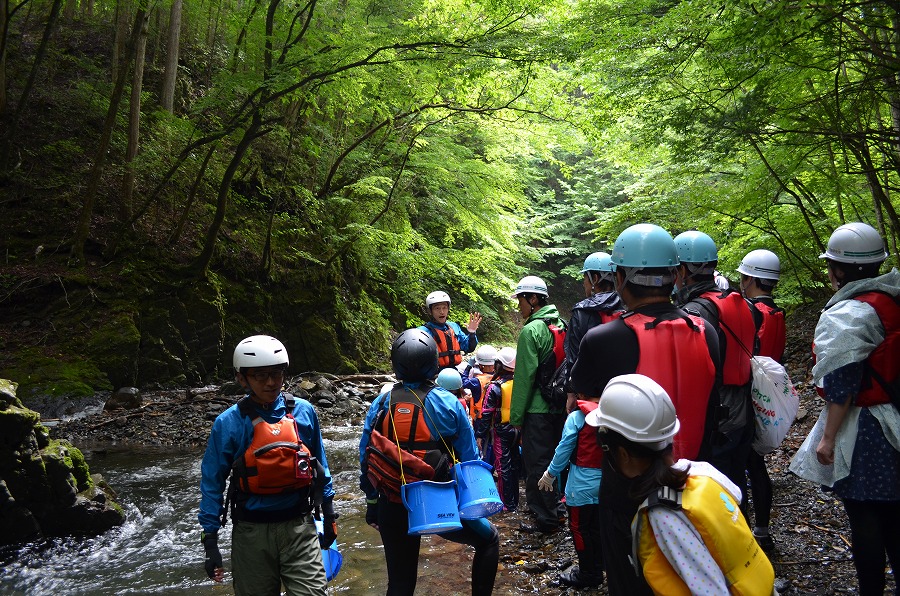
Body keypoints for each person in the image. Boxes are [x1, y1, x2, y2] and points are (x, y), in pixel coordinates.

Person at [569, 223, 722, 596]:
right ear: (674, 275)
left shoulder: (603, 339)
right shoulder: (707, 332)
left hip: (626, 490)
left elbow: (577, 397)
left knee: (629, 582)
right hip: (691, 479)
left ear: (619, 277)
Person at [585, 374, 775, 596]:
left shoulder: (663, 516)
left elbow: (710, 590)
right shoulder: (701, 471)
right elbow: (737, 496)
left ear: (623, 454)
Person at [790, 222, 899, 596]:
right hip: (897, 419)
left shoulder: (849, 313)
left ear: (837, 269)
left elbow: (843, 384)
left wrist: (828, 438)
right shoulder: (892, 296)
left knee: (866, 519)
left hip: (868, 431)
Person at [359, 328, 500, 596]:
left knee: (400, 584)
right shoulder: (449, 402)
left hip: (393, 500)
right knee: (489, 540)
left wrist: (372, 504)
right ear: (433, 363)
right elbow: (470, 461)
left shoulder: (381, 403)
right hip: (438, 501)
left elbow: (365, 458)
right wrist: (475, 505)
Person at [198, 335, 336, 596]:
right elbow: (212, 483)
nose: (271, 382)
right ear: (242, 378)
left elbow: (320, 468)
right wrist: (210, 541)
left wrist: (329, 516)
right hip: (252, 534)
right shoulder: (228, 424)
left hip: (300, 527)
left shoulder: (304, 412)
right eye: (260, 376)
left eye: (277, 373)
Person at [673, 230, 757, 500]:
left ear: (683, 269)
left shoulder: (695, 313)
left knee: (715, 491)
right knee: (736, 484)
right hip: (743, 411)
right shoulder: (741, 302)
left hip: (718, 418)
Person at [509, 275, 568, 533]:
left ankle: (545, 519)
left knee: (537, 463)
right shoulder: (563, 325)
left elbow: (524, 380)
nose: (519, 306)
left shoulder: (531, 331)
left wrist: (516, 419)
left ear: (533, 300)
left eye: (521, 300)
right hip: (560, 406)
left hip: (536, 410)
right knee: (557, 460)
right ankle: (558, 509)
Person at [738, 248, 787, 550]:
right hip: (768, 392)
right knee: (756, 465)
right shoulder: (778, 312)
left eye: (743, 277)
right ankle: (762, 530)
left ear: (751, 278)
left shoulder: (751, 311)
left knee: (746, 464)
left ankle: (750, 534)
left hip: (749, 392)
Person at [538, 387, 604, 588]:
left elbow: (564, 449)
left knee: (579, 528)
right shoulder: (613, 414)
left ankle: (588, 573)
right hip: (607, 484)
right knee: (596, 527)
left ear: (579, 395)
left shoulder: (577, 417)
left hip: (580, 486)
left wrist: (550, 474)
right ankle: (599, 565)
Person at [564, 251, 625, 413]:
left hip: (589, 396)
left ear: (594, 279)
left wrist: (571, 393)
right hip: (624, 391)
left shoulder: (581, 312)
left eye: (585, 278)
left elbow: (573, 357)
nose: (584, 283)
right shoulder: (627, 306)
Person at [474, 347, 520, 511]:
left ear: (499, 365)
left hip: (501, 431)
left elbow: (486, 413)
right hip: (518, 430)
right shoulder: (521, 384)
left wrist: (480, 435)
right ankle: (515, 501)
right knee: (514, 464)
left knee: (502, 467)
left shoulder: (494, 387)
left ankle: (506, 504)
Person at [419, 290, 483, 369]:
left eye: (444, 308)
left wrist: (472, 333)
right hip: (433, 373)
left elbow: (469, 348)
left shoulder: (454, 327)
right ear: (430, 311)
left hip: (453, 371)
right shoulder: (422, 332)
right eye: (437, 308)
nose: (442, 312)